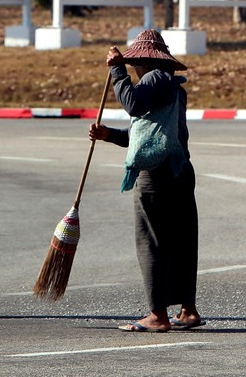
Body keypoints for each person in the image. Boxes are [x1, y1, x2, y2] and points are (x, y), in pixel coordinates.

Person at [89, 29, 204, 333]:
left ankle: (158, 315)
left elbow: (132, 105)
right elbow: (146, 136)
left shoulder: (153, 79)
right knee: (181, 240)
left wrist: (116, 69)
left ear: (140, 61)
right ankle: (187, 310)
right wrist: (110, 135)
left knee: (151, 241)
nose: (133, 70)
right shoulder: (173, 87)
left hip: (157, 174)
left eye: (132, 64)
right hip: (179, 169)